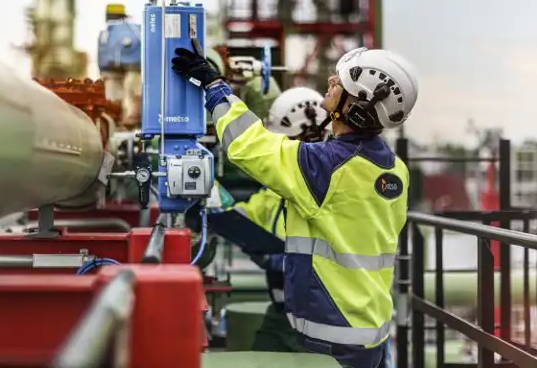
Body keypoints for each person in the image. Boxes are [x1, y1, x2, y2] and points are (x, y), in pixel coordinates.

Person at [172, 42, 419, 368]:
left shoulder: (325, 167)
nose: (330, 81)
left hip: (332, 338)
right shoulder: (395, 169)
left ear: (357, 107)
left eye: (341, 82)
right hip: (371, 331)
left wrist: (216, 88)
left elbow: (248, 145)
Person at [200, 87, 331, 353]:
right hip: (283, 313)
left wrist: (287, 262)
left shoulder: (332, 185)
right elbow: (238, 215)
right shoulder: (275, 192)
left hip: (323, 317)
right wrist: (205, 191)